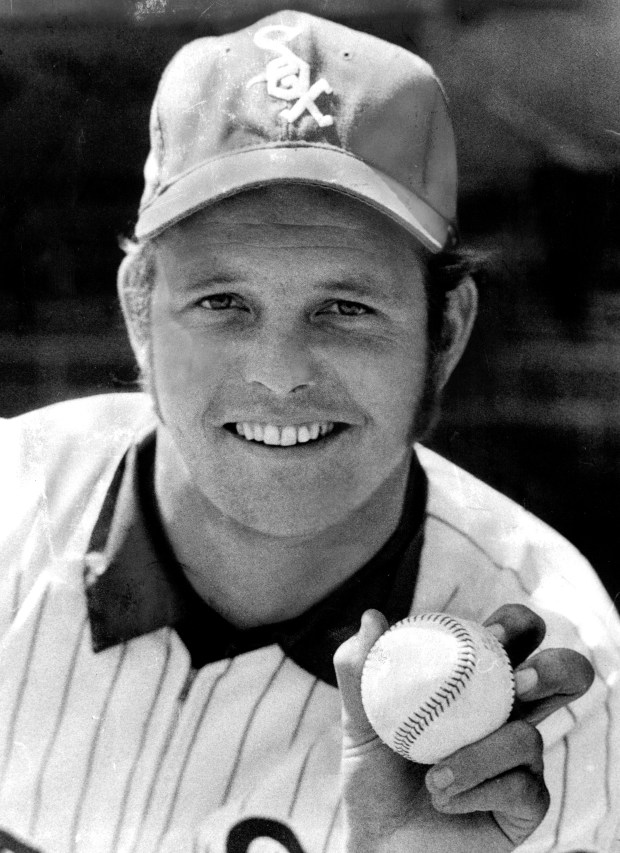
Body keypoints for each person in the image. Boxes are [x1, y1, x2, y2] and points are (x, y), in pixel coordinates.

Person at [0, 10, 618, 853]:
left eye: (346, 308)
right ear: (138, 310)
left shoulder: (565, 694)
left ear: (446, 332)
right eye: (222, 302)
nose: (282, 371)